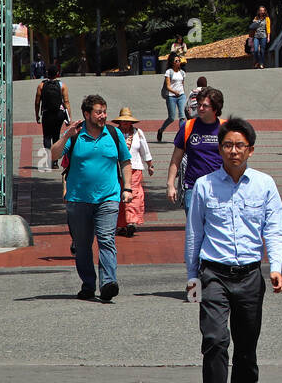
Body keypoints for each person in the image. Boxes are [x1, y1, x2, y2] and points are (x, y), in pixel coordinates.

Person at [185, 116, 282, 383]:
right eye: (227, 145)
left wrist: (276, 267)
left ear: (250, 150)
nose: (233, 150)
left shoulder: (265, 184)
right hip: (212, 273)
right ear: (220, 149)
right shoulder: (204, 186)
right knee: (215, 341)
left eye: (239, 145)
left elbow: (275, 228)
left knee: (246, 347)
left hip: (250, 276)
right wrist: (192, 277)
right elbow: (194, 233)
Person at [50, 94, 133, 302]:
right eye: (98, 112)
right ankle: (88, 284)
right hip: (79, 199)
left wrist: (128, 188)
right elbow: (53, 155)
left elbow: (125, 161)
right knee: (83, 245)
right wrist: (66, 136)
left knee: (106, 239)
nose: (103, 116)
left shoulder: (114, 134)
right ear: (87, 114)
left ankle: (108, 283)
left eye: (104, 111)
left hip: (109, 197)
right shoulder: (76, 136)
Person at [167, 87, 226, 218]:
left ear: (215, 108)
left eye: (205, 106)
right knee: (195, 232)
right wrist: (170, 185)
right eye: (199, 105)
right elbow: (175, 160)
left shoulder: (225, 128)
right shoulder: (188, 127)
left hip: (219, 187)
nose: (200, 109)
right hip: (193, 187)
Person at [112, 107, 154, 238]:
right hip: (117, 169)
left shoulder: (138, 133)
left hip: (135, 168)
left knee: (134, 194)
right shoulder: (114, 133)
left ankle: (131, 222)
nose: (125, 123)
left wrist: (150, 165)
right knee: (118, 196)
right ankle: (122, 224)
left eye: (127, 121)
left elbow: (144, 150)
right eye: (123, 121)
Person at [34, 65, 70, 165]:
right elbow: (66, 101)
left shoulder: (41, 85)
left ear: (47, 73)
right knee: (56, 136)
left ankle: (48, 159)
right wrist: (68, 117)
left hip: (46, 113)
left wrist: (37, 115)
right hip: (59, 114)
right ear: (57, 74)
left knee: (46, 136)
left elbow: (37, 102)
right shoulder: (62, 85)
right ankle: (55, 161)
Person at [157, 55, 188, 143]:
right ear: (172, 63)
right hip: (171, 96)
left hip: (181, 96)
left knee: (182, 116)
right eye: (176, 61)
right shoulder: (169, 72)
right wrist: (175, 92)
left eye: (179, 61)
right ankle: (161, 130)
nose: (178, 62)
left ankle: (182, 136)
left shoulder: (182, 73)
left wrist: (182, 93)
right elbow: (168, 86)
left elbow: (182, 84)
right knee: (171, 117)